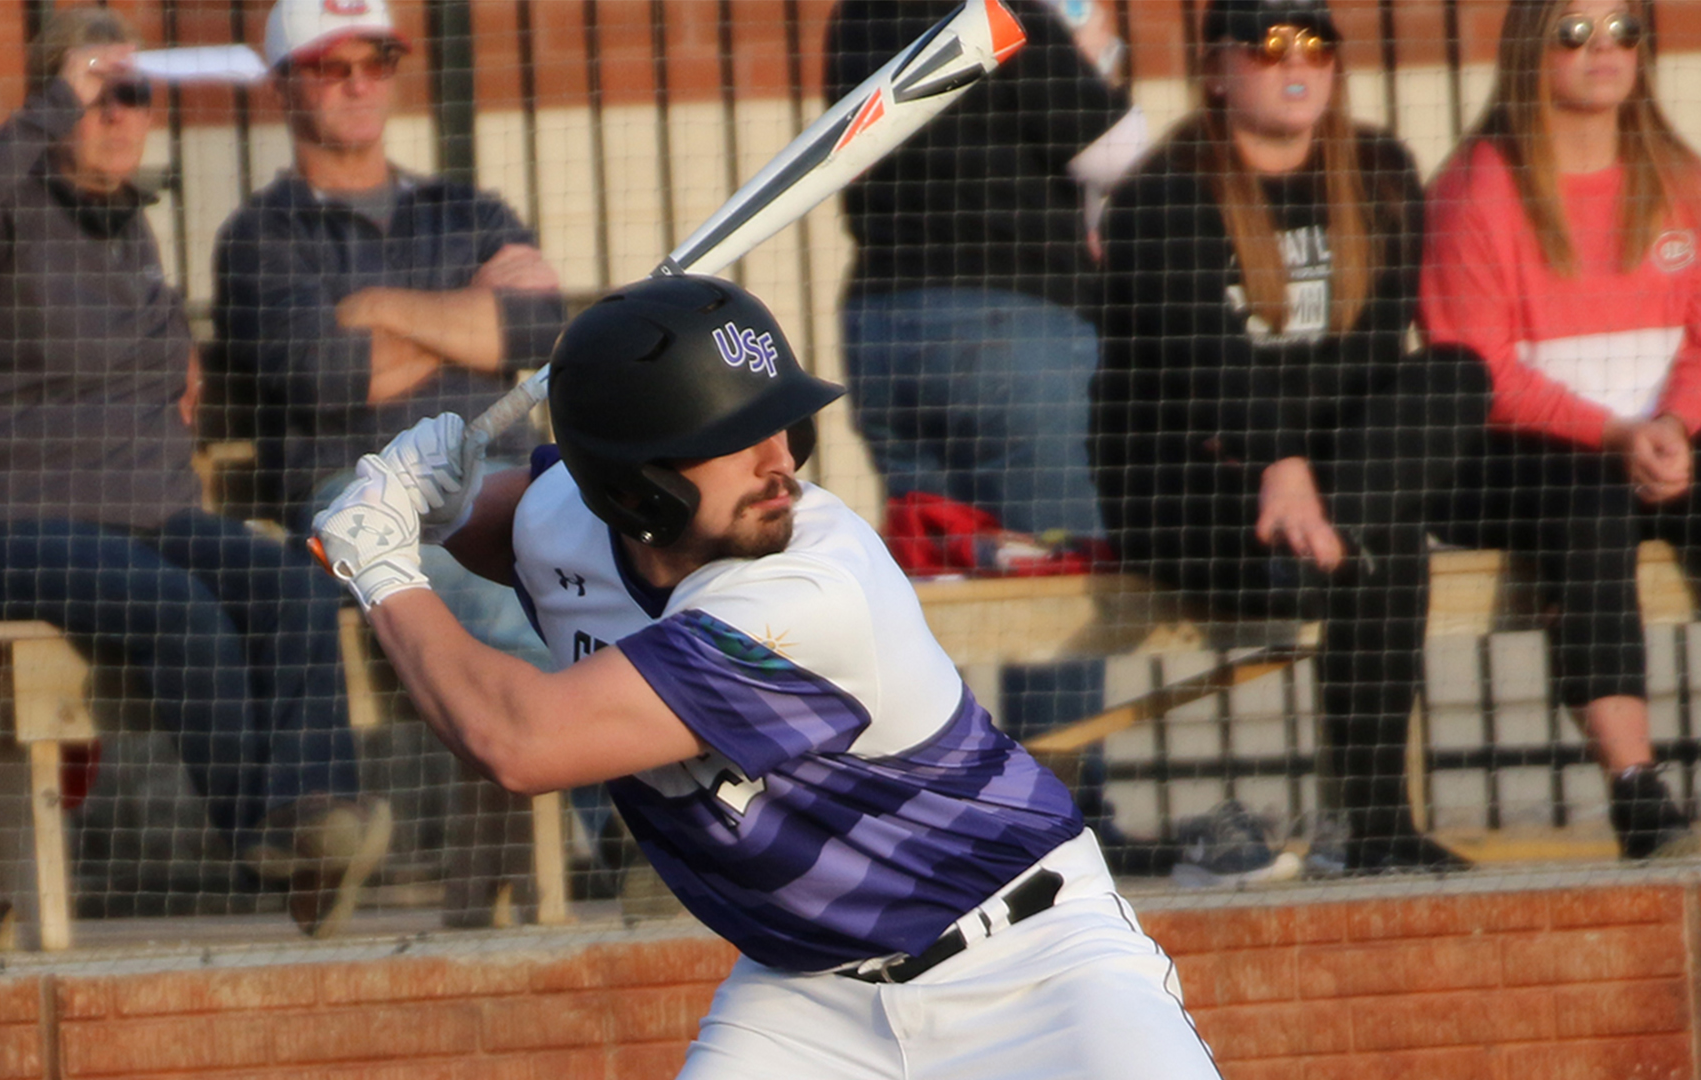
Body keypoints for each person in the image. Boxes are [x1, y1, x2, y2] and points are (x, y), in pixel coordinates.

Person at [313, 274, 1224, 1080]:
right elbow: (506, 520)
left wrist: (385, 566)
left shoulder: (809, 589)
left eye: (784, 424)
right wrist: (424, 498)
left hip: (1034, 970)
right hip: (806, 1001)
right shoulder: (566, 512)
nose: (779, 460)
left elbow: (518, 742)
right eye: (733, 438)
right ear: (635, 486)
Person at [0, 7, 387, 938]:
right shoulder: (3, 214)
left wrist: (181, 360)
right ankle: (265, 835)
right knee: (178, 606)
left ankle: (314, 818)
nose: (122, 113)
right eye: (100, 95)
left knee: (294, 583)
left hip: (142, 520)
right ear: (55, 103)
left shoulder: (129, 228)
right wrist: (62, 96)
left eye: (136, 93)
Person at [1090, 0, 1491, 873]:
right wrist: (1277, 461)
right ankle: (1377, 829)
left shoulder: (1379, 171)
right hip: (1189, 485)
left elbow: (1375, 359)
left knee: (1455, 373)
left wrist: (1316, 489)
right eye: (1268, 45)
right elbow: (1203, 359)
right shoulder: (1162, 195)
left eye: (1316, 42)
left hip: (1320, 493)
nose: (1294, 59)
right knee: (1381, 540)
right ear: (1217, 71)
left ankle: (1376, 829)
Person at [212, 0, 569, 923]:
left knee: (636, 561)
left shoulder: (468, 205)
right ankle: (647, 834)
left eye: (377, 62)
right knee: (505, 601)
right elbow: (325, 379)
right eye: (334, 67)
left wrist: (376, 305)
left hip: (504, 473)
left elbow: (537, 329)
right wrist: (465, 318)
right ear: (286, 85)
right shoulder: (261, 237)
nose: (362, 84)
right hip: (365, 496)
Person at [1418, 0, 1701, 858]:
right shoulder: (1476, 188)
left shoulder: (1683, 181)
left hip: (1661, 439)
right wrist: (1617, 436)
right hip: (1511, 454)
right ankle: (1637, 789)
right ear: (1532, 49)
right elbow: (1477, 371)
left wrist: (1670, 424)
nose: (1603, 50)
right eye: (1574, 33)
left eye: (1622, 32)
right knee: (1590, 508)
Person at [823, 0, 1142, 555]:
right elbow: (1119, 155)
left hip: (881, 322)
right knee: (1053, 574)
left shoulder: (857, 13)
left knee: (936, 570)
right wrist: (1092, 64)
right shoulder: (1004, 11)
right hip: (1009, 319)